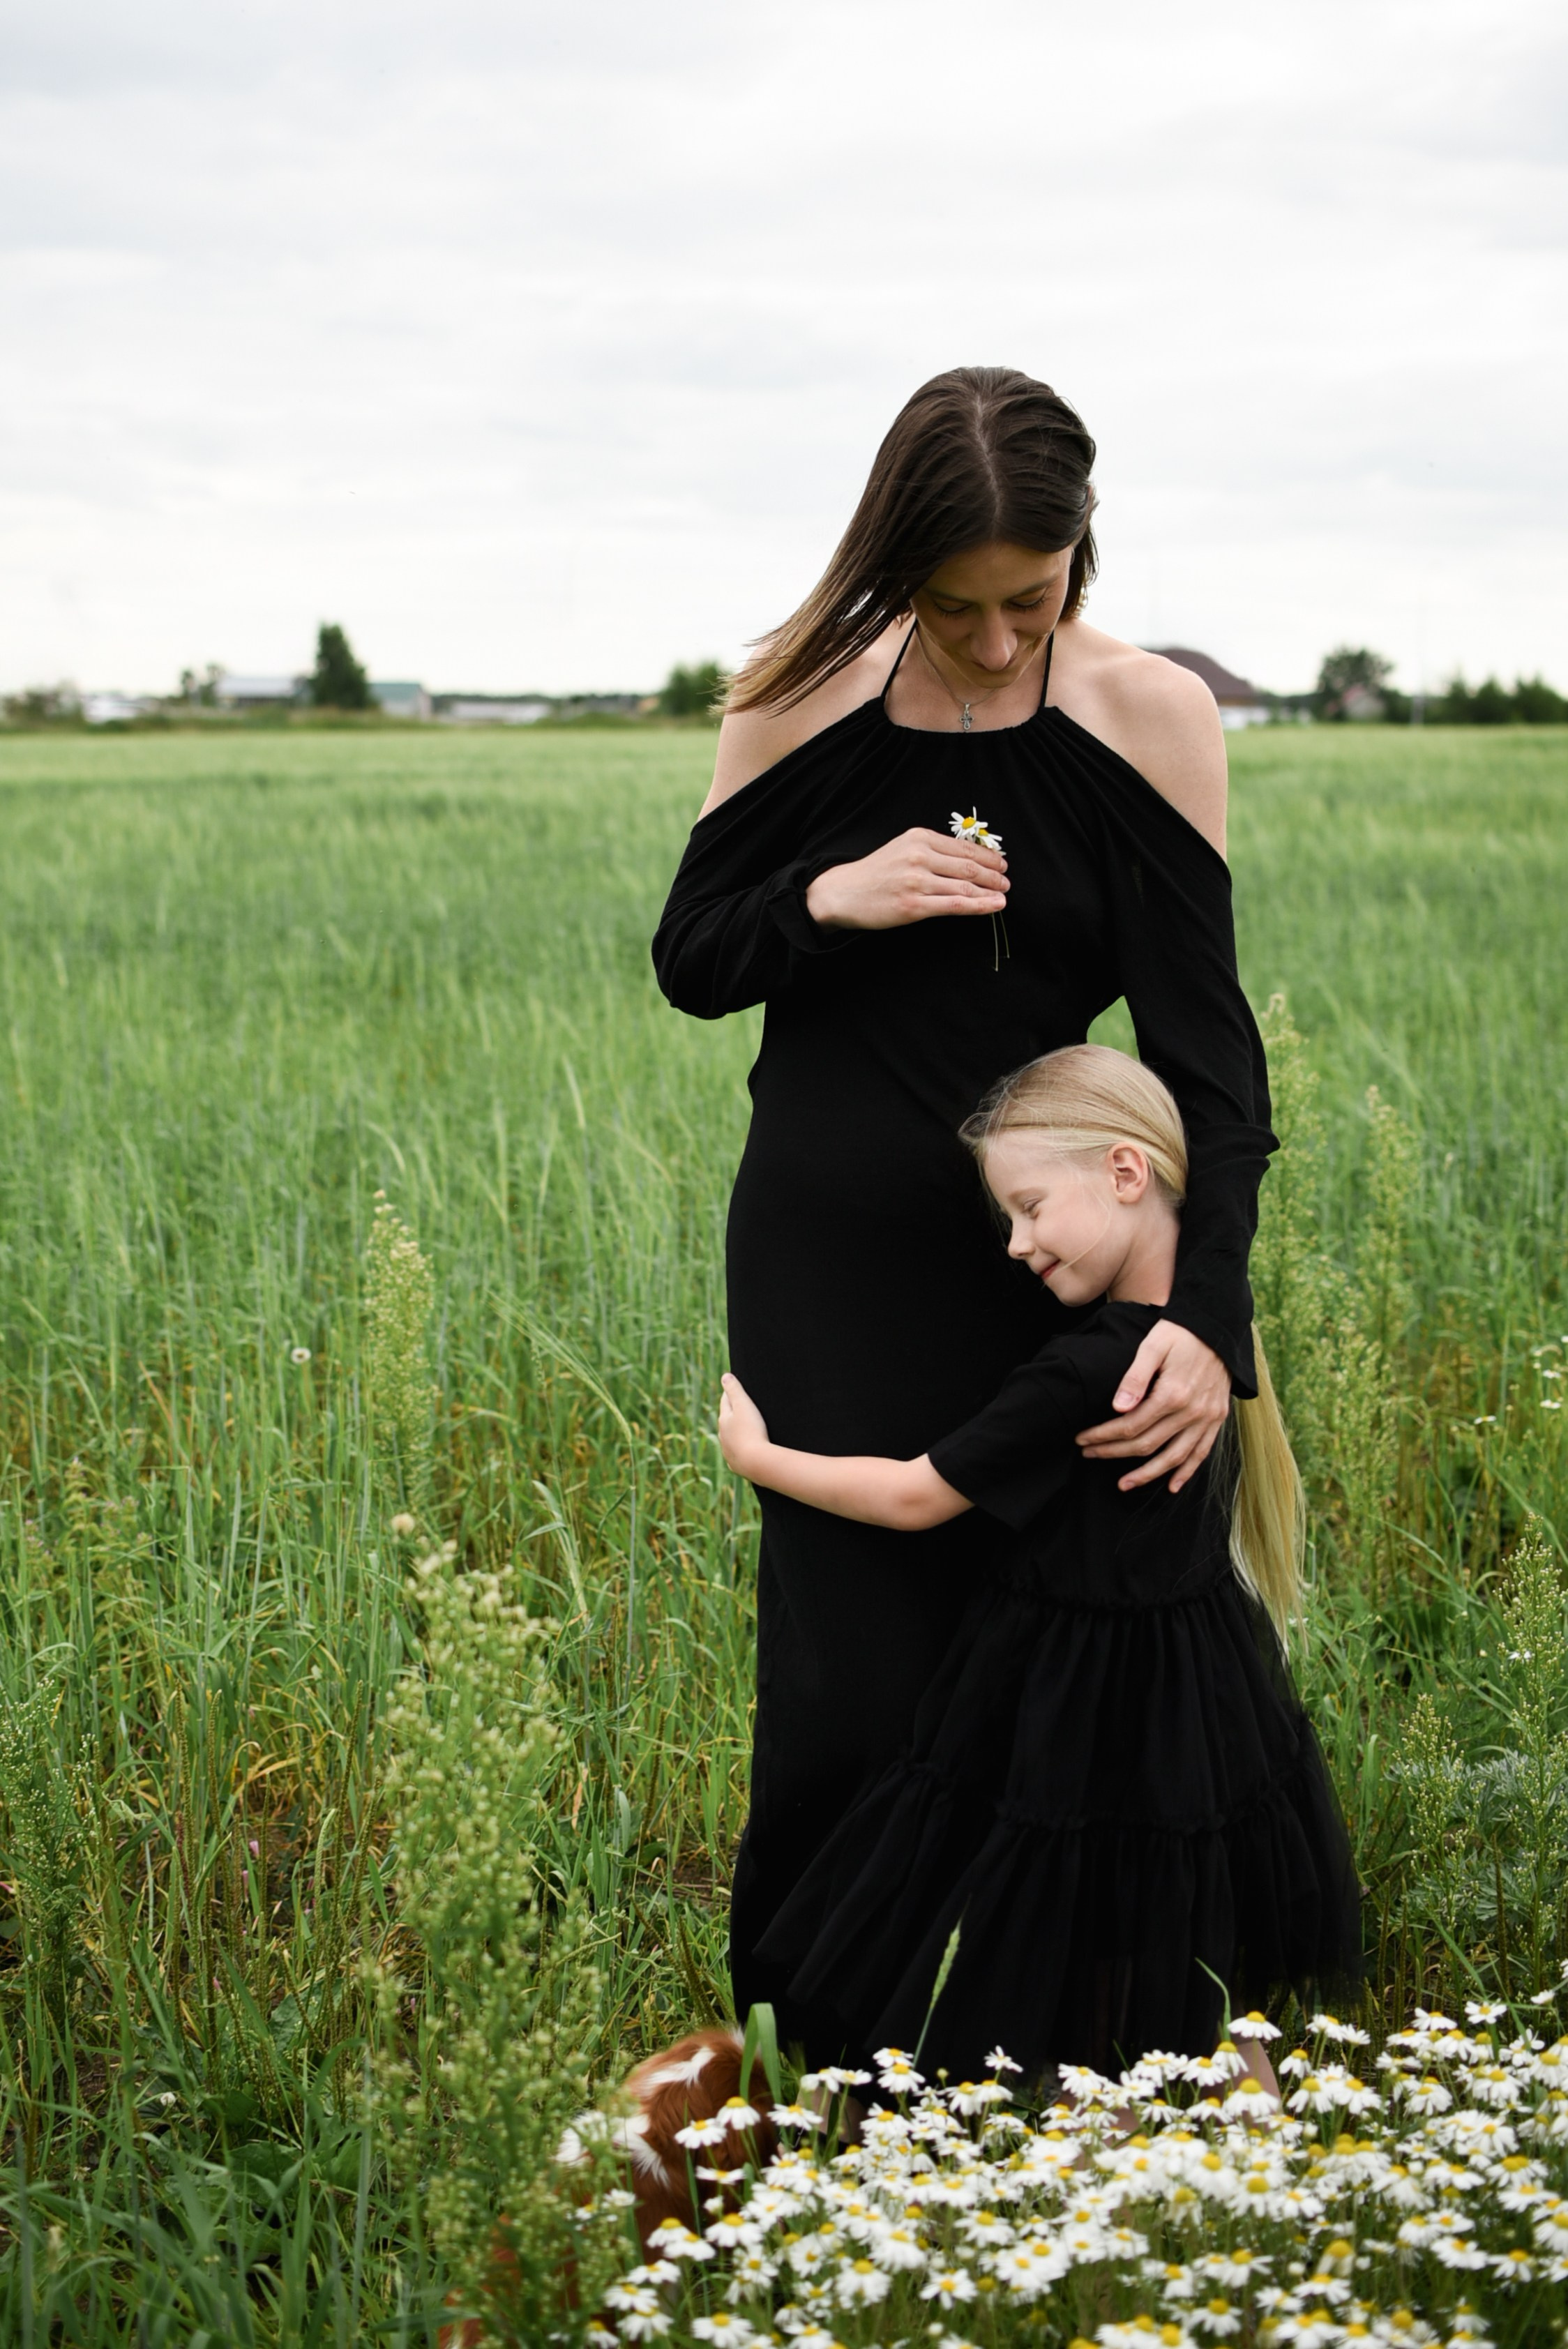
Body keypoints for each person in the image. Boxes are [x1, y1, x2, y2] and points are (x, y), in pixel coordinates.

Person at [651, 365, 1277, 2062]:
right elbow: (692, 959)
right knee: (851, 1673)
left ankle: (1052, 2062)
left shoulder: (1146, 715)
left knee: (1077, 1657)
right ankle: (810, 2072)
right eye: (953, 607)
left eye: (1033, 596)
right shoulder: (792, 701)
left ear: (1083, 550)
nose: (998, 642)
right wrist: (826, 899)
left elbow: (1211, 1071)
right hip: (829, 1270)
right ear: (889, 566)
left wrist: (1196, 1327)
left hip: (1059, 1270)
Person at [716, 1045, 1362, 2086]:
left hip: (1074, 1687)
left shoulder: (1086, 1366)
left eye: (1027, 1208)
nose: (1015, 1246)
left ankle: (1124, 2130)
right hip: (1199, 1684)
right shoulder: (1208, 1345)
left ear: (1124, 1171)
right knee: (1181, 1922)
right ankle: (1244, 2135)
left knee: (1076, 1903)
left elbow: (919, 1496)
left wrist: (763, 1458)